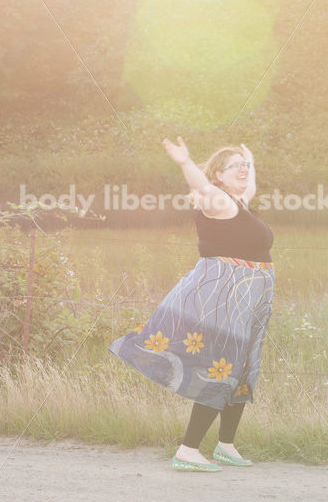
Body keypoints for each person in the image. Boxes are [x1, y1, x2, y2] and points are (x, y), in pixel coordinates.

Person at [108, 136, 275, 472]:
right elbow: (202, 185)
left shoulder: (238, 201)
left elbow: (250, 187)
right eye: (234, 167)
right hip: (227, 298)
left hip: (249, 298)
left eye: (244, 167)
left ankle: (225, 444)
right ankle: (188, 450)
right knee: (222, 367)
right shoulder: (217, 201)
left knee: (242, 368)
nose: (242, 171)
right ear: (218, 177)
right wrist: (186, 163)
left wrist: (250, 161)